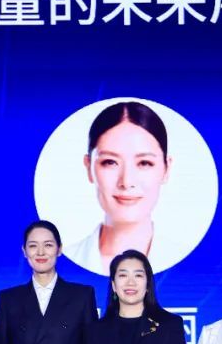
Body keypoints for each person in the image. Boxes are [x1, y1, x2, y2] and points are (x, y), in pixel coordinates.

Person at [65, 101, 172, 276]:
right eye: (110, 162)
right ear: (89, 167)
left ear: (166, 169)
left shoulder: (199, 267)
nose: (127, 182)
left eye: (144, 163)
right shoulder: (62, 262)